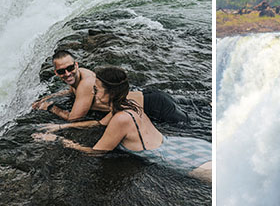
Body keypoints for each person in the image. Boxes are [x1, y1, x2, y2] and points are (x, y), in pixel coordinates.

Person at [32, 66, 211, 183]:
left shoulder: (120, 119)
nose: (92, 91)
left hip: (174, 158)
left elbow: (96, 152)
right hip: (179, 144)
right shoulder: (128, 104)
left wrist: (57, 140)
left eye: (97, 89)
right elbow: (99, 122)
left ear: (108, 93)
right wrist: (61, 127)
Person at [31, 50, 187, 123]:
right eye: (61, 71)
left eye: (70, 68)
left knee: (189, 125)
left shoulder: (86, 83)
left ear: (76, 65)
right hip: (147, 96)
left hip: (153, 106)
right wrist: (48, 97)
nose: (67, 74)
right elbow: (72, 91)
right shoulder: (79, 76)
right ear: (56, 72)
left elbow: (74, 119)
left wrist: (50, 108)